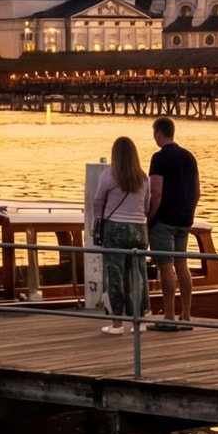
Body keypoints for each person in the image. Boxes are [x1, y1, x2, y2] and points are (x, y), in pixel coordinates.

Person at [88, 135, 150, 335]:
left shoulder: (108, 175)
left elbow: (98, 201)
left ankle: (117, 324)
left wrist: (97, 222)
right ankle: (139, 322)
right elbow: (146, 204)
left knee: (115, 275)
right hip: (139, 229)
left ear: (115, 154)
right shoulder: (143, 177)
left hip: (115, 229)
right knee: (138, 275)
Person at [147, 116, 199, 329]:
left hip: (165, 219)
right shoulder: (189, 157)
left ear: (159, 133)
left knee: (165, 265)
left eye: (154, 133)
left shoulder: (159, 158)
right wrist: (190, 214)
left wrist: (149, 217)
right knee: (182, 265)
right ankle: (186, 316)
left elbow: (156, 191)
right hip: (184, 219)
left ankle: (169, 317)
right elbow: (197, 192)